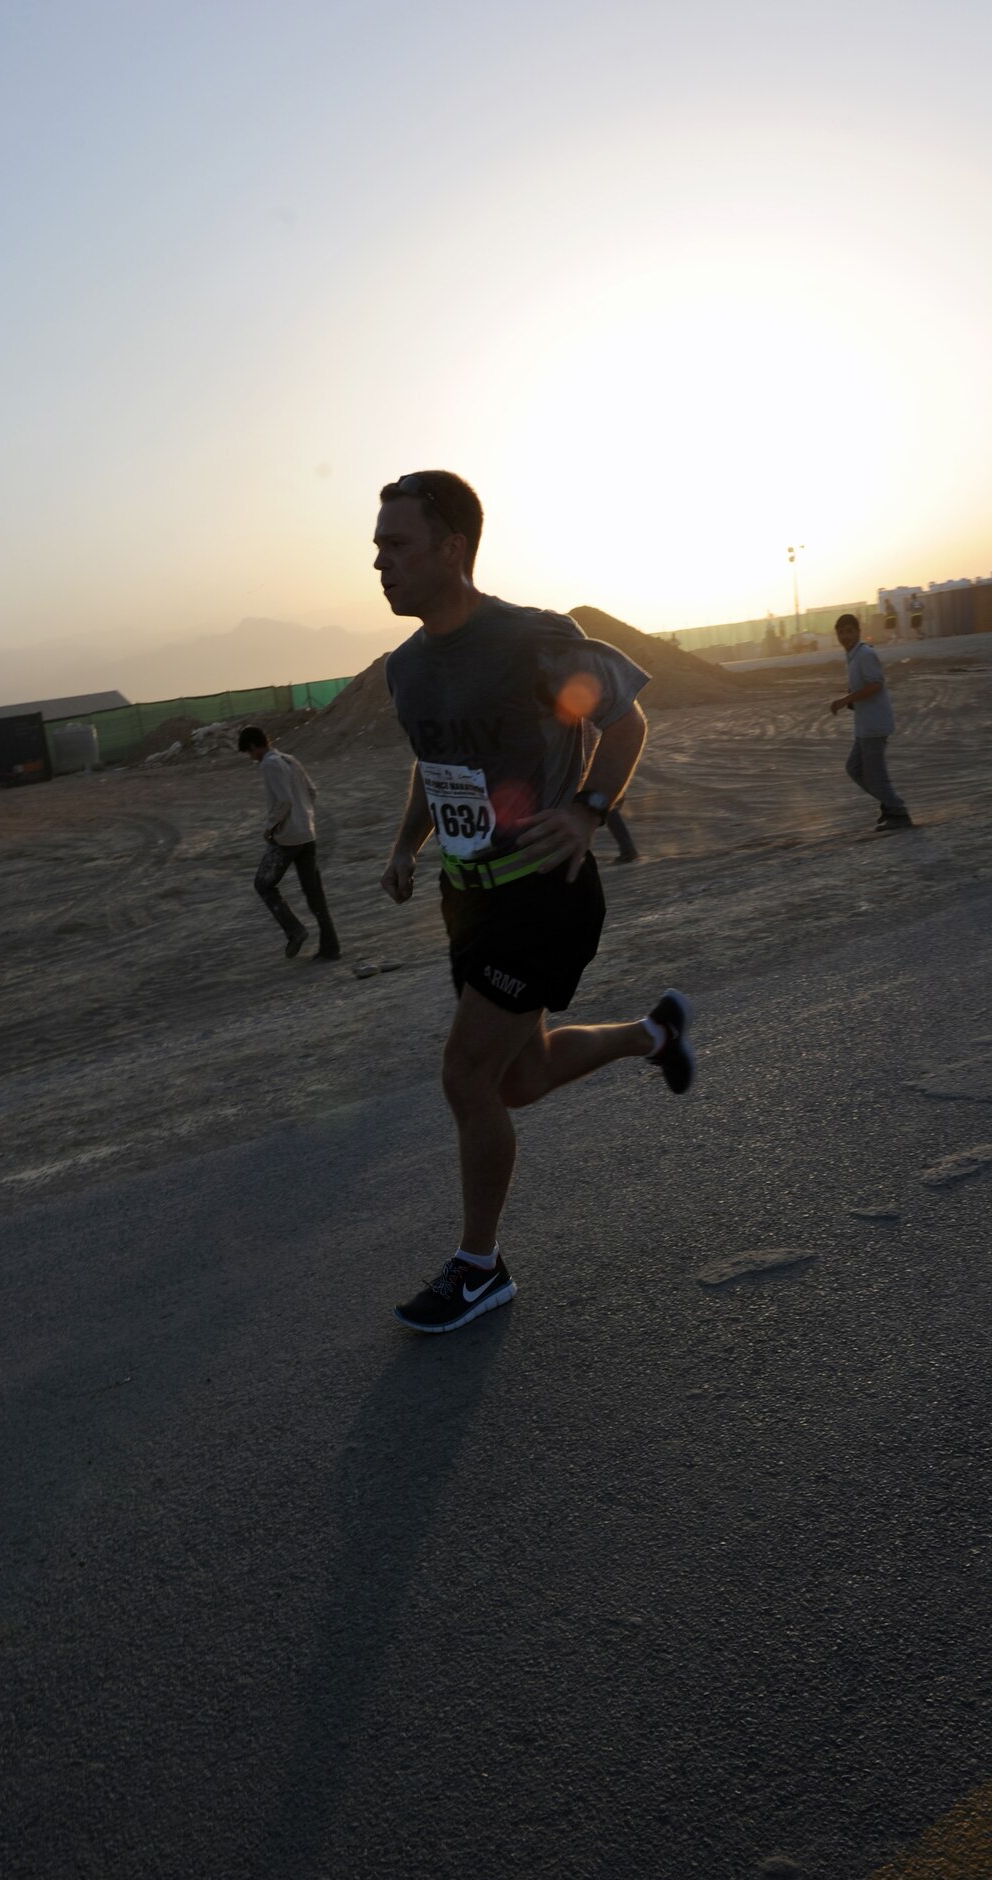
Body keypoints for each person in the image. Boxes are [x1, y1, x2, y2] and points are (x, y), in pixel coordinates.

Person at [373, 470, 695, 1333]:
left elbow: (623, 721)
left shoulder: (533, 643)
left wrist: (590, 810)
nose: (379, 563)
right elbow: (435, 764)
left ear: (453, 548)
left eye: (396, 545)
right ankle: (652, 1032)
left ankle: (480, 1269)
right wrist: (408, 844)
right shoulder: (405, 669)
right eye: (375, 548)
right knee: (517, 1079)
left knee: (464, 1074)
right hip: (465, 900)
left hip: (543, 896)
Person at [238, 726, 340, 960]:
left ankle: (294, 930)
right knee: (314, 892)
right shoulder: (290, 760)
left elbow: (283, 801)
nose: (250, 757)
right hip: (307, 834)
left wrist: (271, 827)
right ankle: (331, 946)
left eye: (249, 752)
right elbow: (312, 792)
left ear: (253, 746)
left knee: (263, 885)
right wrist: (305, 818)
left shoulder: (269, 764)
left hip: (288, 838)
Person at [831, 614, 912, 830]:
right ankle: (889, 805)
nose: (845, 636)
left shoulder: (865, 654)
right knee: (854, 768)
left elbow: (876, 684)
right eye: (841, 632)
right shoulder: (852, 656)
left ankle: (899, 812)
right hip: (865, 725)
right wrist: (852, 699)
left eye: (849, 631)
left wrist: (846, 700)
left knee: (876, 776)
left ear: (858, 631)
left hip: (875, 724)